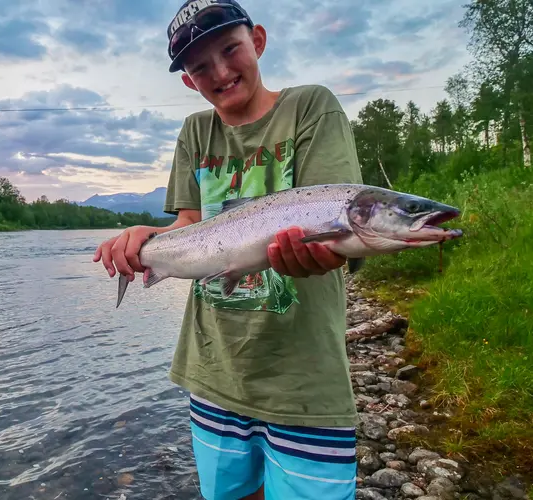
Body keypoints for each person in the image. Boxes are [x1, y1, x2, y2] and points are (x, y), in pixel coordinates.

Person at [93, 1, 363, 498]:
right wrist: (142, 241)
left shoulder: (311, 106)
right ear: (188, 81)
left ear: (258, 41)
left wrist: (330, 251)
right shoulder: (195, 131)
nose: (218, 70)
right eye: (199, 66)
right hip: (213, 368)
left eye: (230, 49)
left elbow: (338, 216)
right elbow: (190, 224)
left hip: (305, 378)